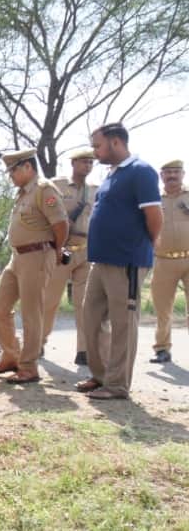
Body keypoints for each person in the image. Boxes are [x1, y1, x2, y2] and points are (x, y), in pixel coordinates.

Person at [76, 123, 162, 400]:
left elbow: (154, 218)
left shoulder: (141, 171)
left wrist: (142, 247)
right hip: (100, 261)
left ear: (115, 142)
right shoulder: (112, 174)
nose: (95, 152)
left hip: (126, 261)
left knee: (123, 323)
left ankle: (117, 385)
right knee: (90, 318)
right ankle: (100, 376)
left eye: (97, 146)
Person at [0, 149, 68, 384]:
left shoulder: (44, 189)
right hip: (17, 258)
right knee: (0, 306)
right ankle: (11, 356)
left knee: (31, 312)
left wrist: (56, 250)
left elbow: (61, 224)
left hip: (38, 255)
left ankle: (29, 367)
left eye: (13, 170)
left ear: (27, 167)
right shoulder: (23, 193)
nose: (10, 175)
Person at [41, 149, 103, 366]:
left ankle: (83, 350)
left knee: (84, 304)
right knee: (50, 300)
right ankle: (40, 341)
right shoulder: (56, 185)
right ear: (73, 163)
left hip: (85, 251)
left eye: (90, 162)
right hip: (61, 251)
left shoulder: (95, 190)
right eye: (83, 162)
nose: (87, 166)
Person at [149, 159, 188, 364]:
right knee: (163, 309)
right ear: (161, 176)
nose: (172, 176)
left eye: (176, 172)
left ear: (183, 174)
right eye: (168, 173)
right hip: (163, 261)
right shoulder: (153, 199)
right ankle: (162, 349)